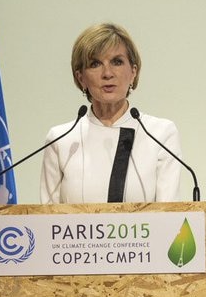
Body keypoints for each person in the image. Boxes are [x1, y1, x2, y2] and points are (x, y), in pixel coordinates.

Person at [40, 23, 182, 204]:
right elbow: (46, 222)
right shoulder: (60, 139)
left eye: (117, 62)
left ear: (133, 72)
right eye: (95, 64)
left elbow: (169, 216)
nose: (107, 73)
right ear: (81, 78)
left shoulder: (160, 133)